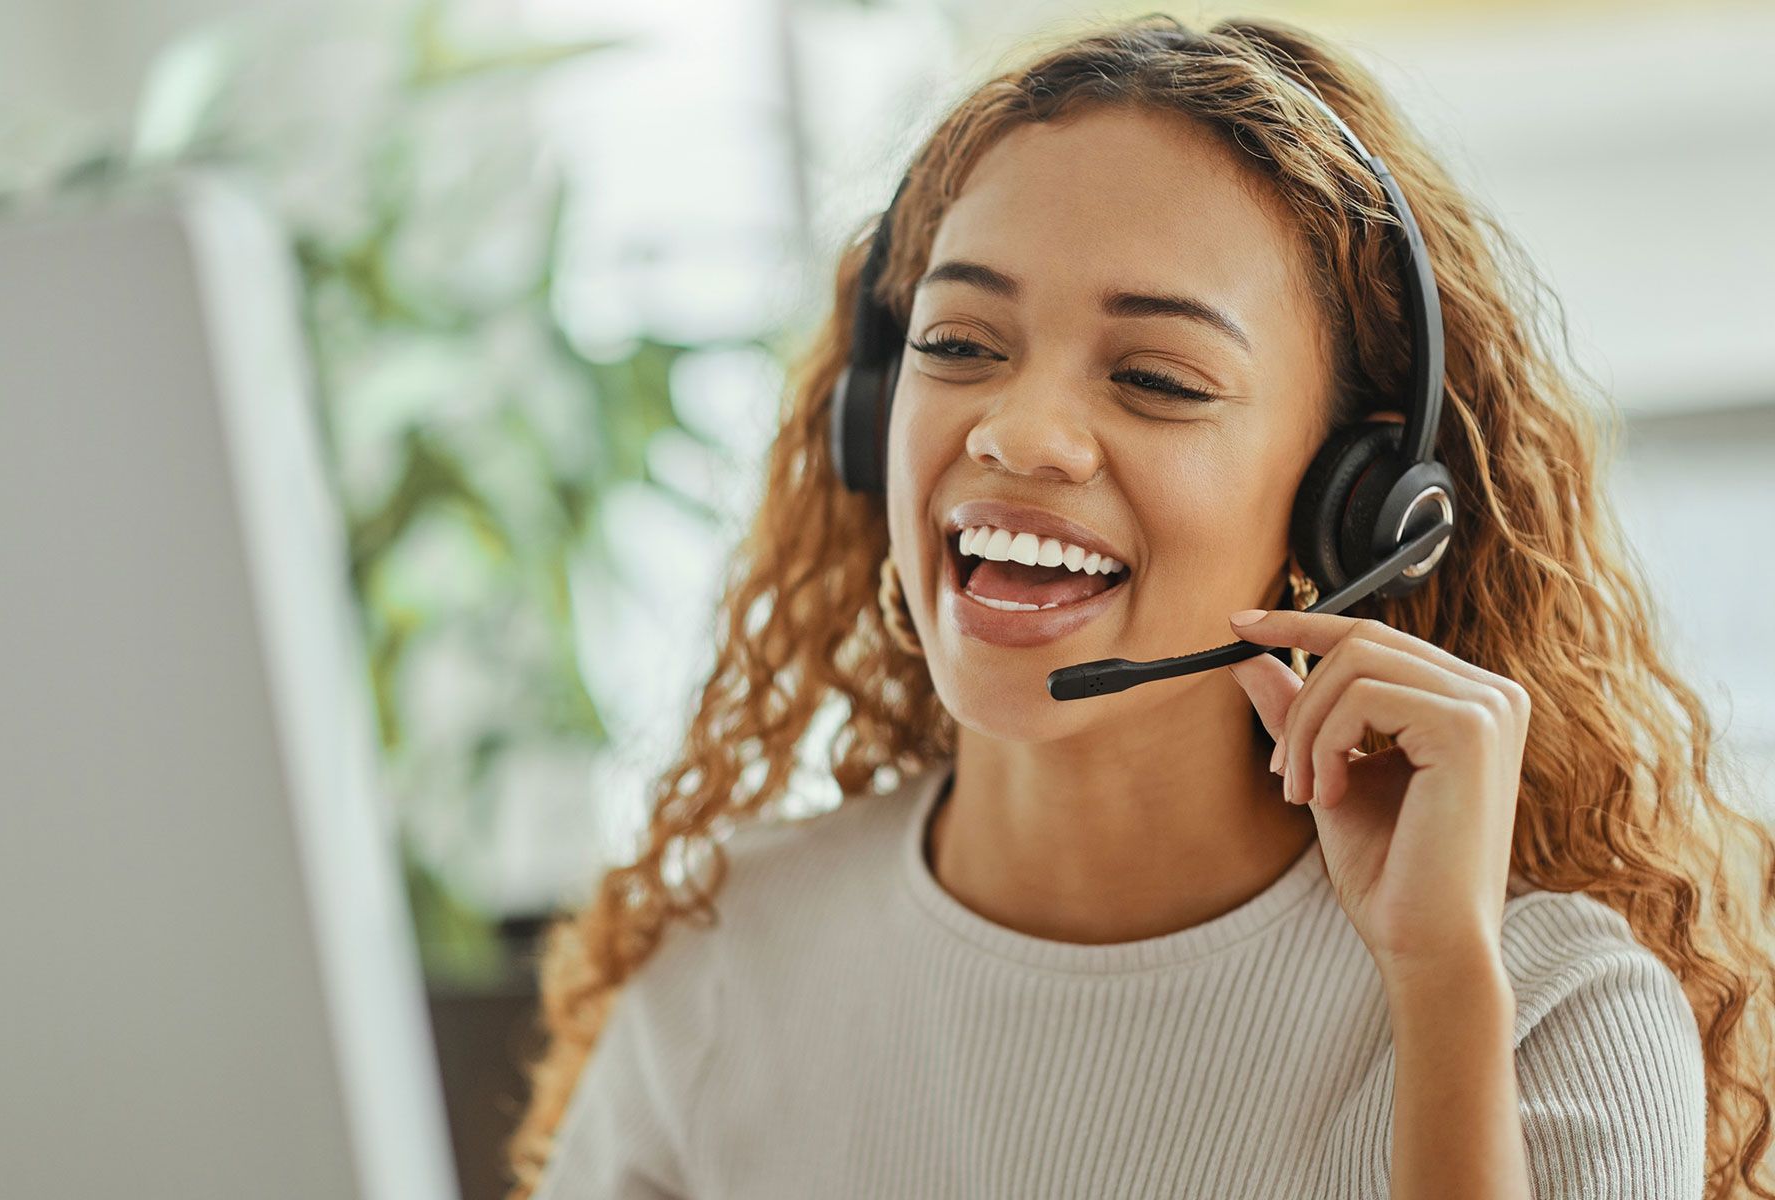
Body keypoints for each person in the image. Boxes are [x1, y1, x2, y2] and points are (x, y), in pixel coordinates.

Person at [506, 13, 1774, 1199]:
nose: (1021, 432)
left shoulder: (1545, 1009)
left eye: (1159, 378)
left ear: (1361, 502)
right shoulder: (734, 959)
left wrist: (1439, 985)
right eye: (958, 344)